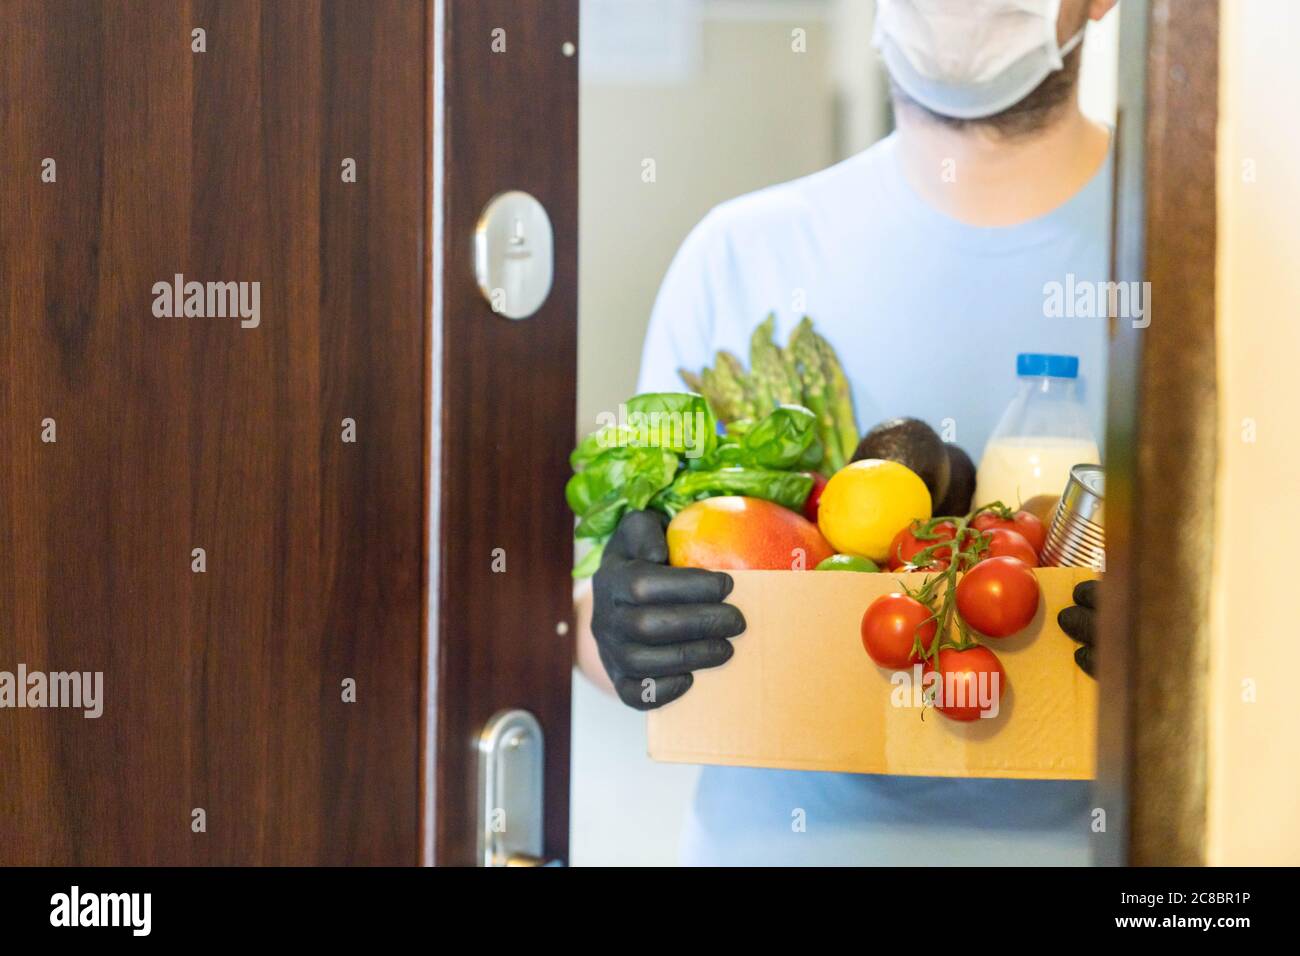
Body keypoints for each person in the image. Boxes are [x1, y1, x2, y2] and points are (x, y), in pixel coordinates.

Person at [575, 0, 1112, 865]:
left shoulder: (1203, 258)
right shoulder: (742, 254)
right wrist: (616, 630)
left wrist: (1189, 642)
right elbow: (597, 629)